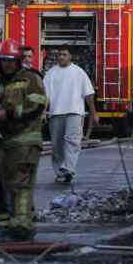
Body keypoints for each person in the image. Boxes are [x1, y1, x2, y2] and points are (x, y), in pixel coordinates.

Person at [0, 39, 46, 242]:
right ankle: (7, 229)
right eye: (3, 61)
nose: (7, 64)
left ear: (18, 60)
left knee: (21, 186)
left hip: (26, 141)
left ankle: (22, 229)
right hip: (3, 142)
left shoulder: (30, 79)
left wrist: (9, 113)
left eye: (10, 60)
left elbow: (37, 106)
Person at [43, 49, 99, 184]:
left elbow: (88, 95)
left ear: (70, 56)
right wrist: (43, 111)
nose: (61, 57)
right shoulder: (51, 73)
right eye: (59, 55)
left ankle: (68, 169)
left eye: (64, 54)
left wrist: (94, 112)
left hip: (75, 112)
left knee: (72, 141)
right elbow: (46, 96)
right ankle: (59, 172)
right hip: (56, 114)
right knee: (57, 146)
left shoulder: (79, 72)